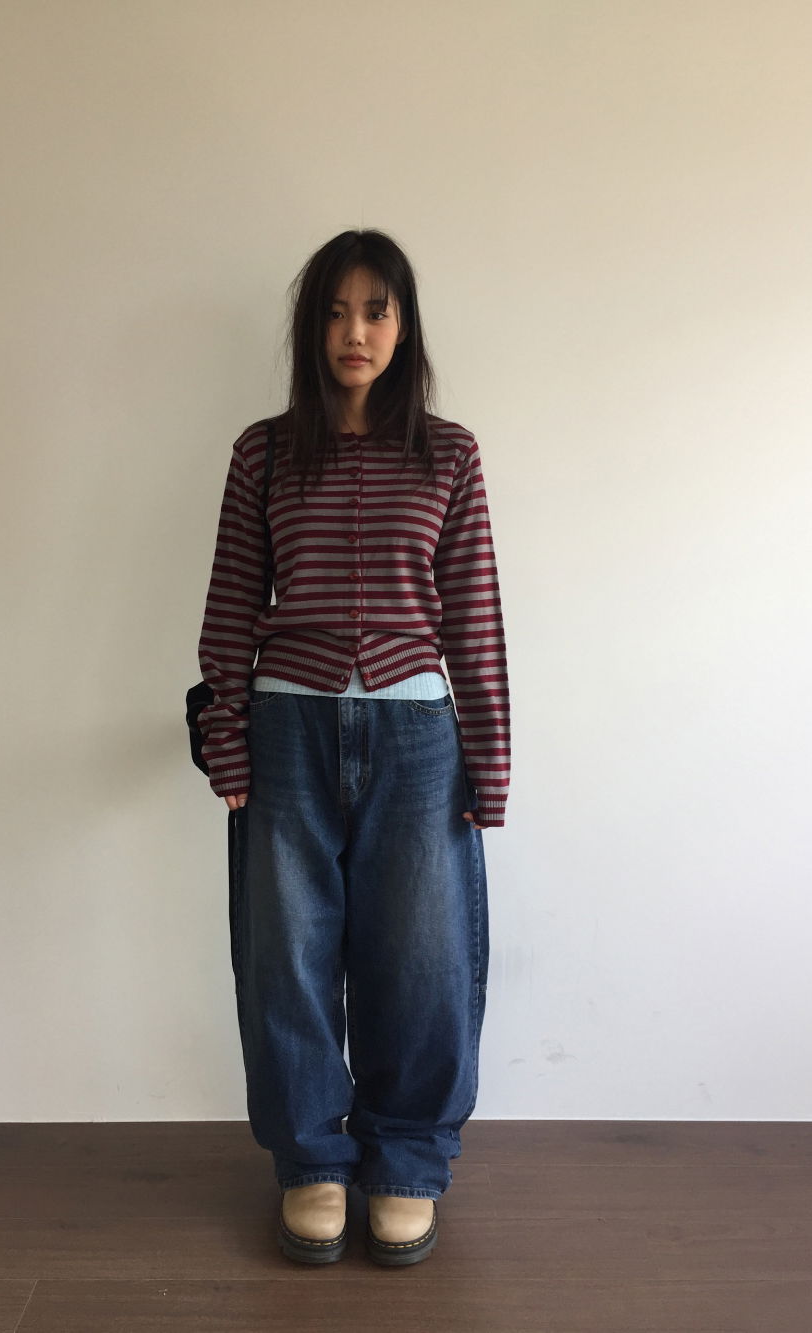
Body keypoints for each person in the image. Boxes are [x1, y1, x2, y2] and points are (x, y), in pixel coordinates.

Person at [196, 229, 509, 1266]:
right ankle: (311, 1160)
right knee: (286, 957)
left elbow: (474, 618)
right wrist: (226, 743)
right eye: (334, 311)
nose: (354, 331)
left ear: (403, 325)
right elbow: (230, 606)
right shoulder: (265, 452)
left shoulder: (449, 454)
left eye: (375, 309)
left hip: (418, 738)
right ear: (310, 328)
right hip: (287, 731)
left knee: (420, 957)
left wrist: (490, 759)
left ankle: (406, 1159)